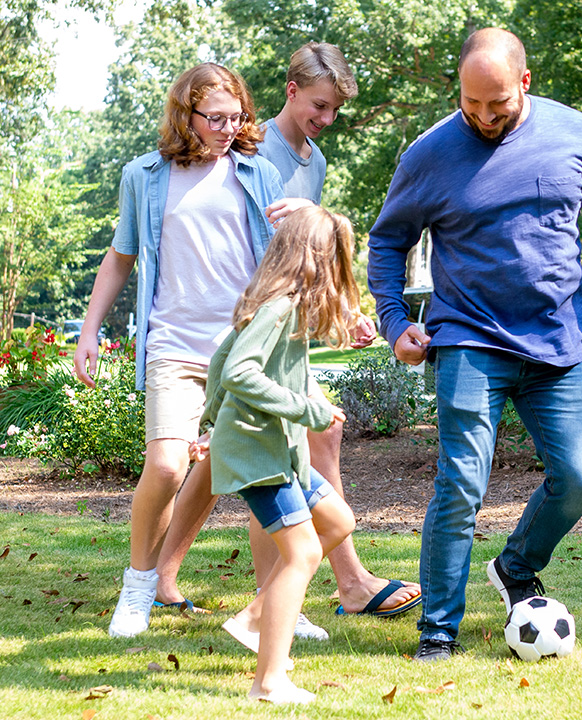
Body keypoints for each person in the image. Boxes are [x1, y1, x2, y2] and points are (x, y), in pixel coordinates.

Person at [367, 27, 582, 662]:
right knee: (461, 485)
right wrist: (396, 323)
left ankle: (516, 564)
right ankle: (438, 630)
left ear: (524, 83)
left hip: (558, 341)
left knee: (579, 477)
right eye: (470, 104)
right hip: (470, 340)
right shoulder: (431, 152)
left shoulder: (574, 133)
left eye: (496, 104)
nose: (482, 117)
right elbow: (388, 240)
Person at [154, 42, 420, 638]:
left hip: (281, 321)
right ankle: (291, 594)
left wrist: (345, 306)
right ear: (292, 91)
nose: (325, 119)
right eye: (318, 106)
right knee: (275, 448)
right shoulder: (253, 149)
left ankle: (185, 577)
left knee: (259, 445)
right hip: (251, 317)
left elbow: (309, 247)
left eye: (334, 112)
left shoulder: (313, 159)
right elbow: (265, 247)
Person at [73, 62, 285, 638]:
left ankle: (275, 605)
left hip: (244, 349)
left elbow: (289, 255)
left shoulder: (258, 173)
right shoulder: (144, 175)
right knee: (167, 465)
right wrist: (89, 331)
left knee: (264, 473)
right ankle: (139, 588)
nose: (225, 128)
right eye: (214, 118)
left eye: (235, 117)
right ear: (184, 113)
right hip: (174, 342)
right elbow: (121, 256)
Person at [190, 205, 359, 704]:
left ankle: (255, 617)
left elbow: (222, 361)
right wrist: (306, 409)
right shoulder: (279, 306)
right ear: (315, 257)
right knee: (303, 552)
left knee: (336, 521)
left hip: (279, 451)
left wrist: (209, 423)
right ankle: (268, 682)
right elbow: (240, 371)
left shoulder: (285, 305)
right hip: (258, 453)